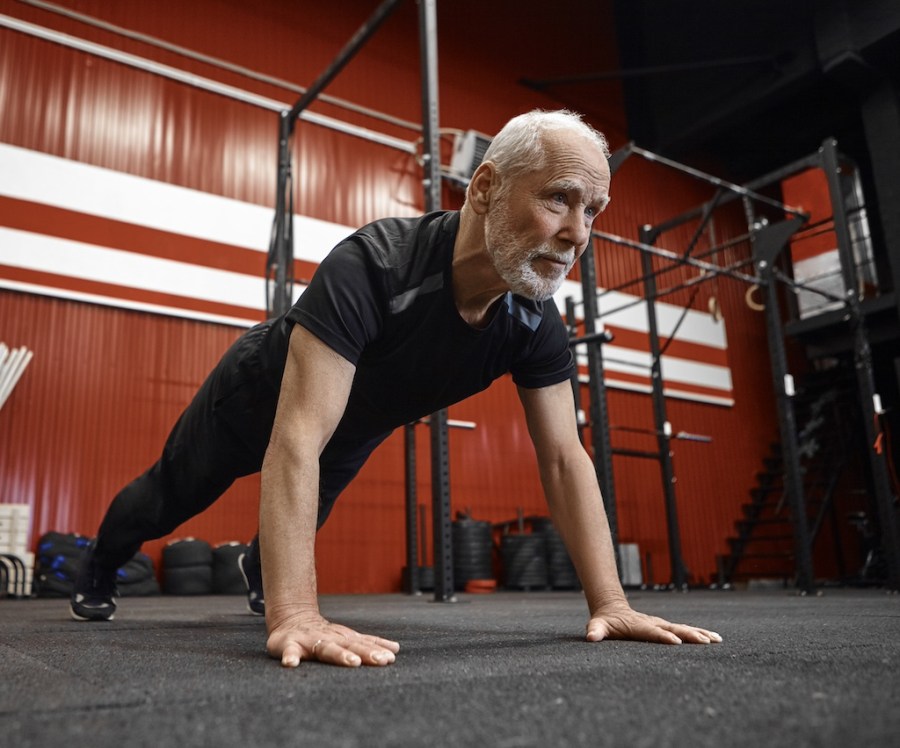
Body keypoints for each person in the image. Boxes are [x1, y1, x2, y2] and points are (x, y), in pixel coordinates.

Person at [70, 109, 722, 667]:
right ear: (486, 188)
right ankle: (100, 565)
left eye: (593, 211)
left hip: (357, 421)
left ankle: (261, 571)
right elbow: (297, 432)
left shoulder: (533, 323)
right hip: (260, 396)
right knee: (169, 497)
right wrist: (297, 616)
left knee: (291, 534)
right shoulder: (376, 265)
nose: (579, 233)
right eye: (559, 198)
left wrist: (611, 601)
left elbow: (563, 457)